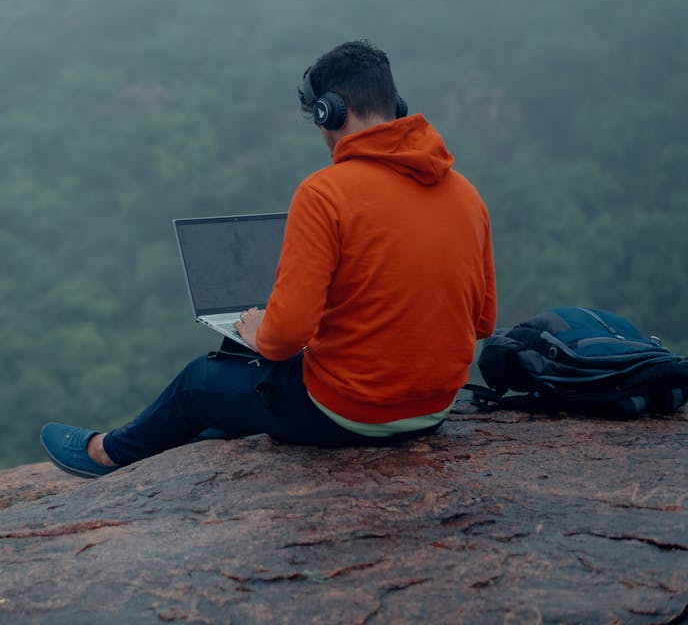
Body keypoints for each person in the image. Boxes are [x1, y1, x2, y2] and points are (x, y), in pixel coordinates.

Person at [40, 40, 497, 478]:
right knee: (243, 388)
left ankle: (105, 454)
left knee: (202, 380)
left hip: (349, 415)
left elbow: (284, 340)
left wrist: (263, 333)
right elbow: (482, 322)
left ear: (329, 111)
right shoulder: (466, 194)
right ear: (394, 103)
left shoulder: (325, 193)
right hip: (433, 410)